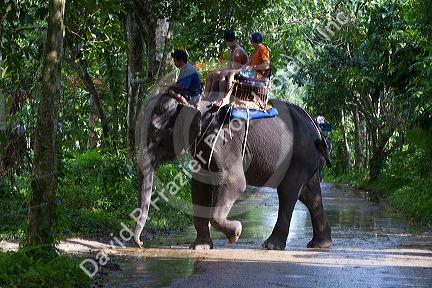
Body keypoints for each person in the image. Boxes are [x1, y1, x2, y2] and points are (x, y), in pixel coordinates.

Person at [204, 29, 248, 101]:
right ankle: (207, 97)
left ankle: (220, 98)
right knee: (212, 74)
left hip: (242, 74)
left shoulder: (238, 52)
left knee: (222, 74)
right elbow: (229, 67)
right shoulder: (231, 51)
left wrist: (222, 71)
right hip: (234, 71)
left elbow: (234, 70)